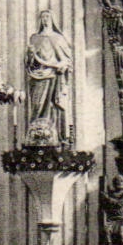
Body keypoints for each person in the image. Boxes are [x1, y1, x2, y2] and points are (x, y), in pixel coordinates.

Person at [23, 9, 73, 147]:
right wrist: (31, 55)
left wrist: (62, 65)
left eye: (47, 16)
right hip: (36, 77)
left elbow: (67, 60)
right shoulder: (34, 38)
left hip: (52, 77)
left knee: (52, 106)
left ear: (52, 19)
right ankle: (35, 136)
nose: (45, 19)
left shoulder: (58, 38)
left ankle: (53, 136)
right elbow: (29, 63)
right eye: (42, 17)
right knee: (36, 106)